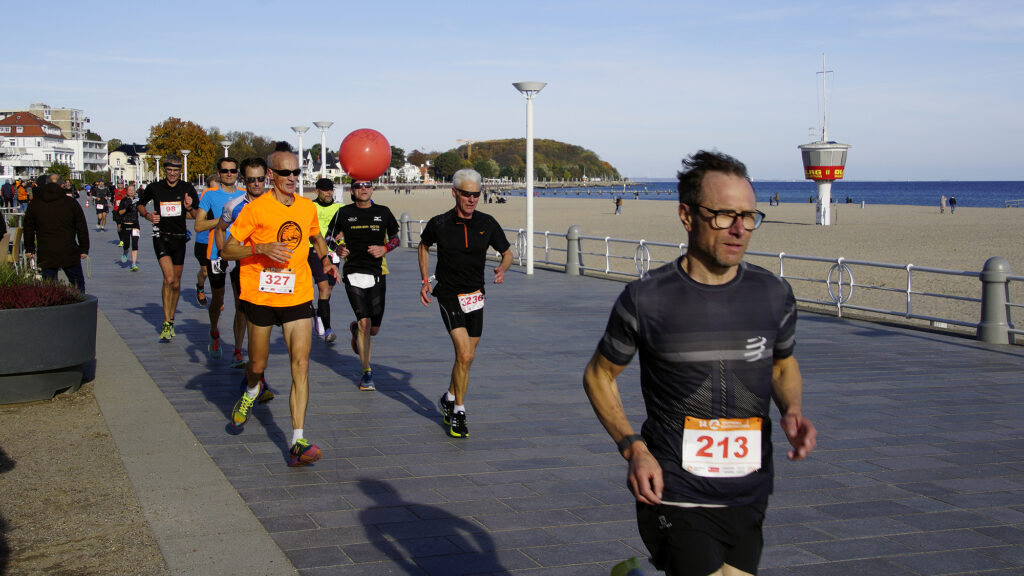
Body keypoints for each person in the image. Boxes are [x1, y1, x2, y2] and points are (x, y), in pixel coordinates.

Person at [582, 150, 817, 576]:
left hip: (750, 490)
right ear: (687, 216)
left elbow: (782, 365)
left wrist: (793, 411)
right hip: (674, 489)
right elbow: (600, 375)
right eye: (724, 215)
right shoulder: (647, 298)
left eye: (748, 215)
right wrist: (632, 447)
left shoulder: (773, 294)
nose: (740, 228)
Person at [220, 147, 338, 467]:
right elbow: (227, 248)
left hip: (297, 295)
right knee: (257, 365)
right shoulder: (256, 210)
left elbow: (316, 237)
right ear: (271, 175)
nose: (292, 178)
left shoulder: (305, 207)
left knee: (300, 365)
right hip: (260, 297)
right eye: (285, 173)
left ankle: (297, 440)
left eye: (296, 173)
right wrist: (260, 247)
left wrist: (327, 260)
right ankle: (252, 390)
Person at [418, 168, 512, 438]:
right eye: (467, 194)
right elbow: (423, 246)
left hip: (475, 296)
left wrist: (503, 268)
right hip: (448, 294)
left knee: (465, 358)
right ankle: (458, 411)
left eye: (476, 194)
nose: (472, 199)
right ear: (455, 193)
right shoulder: (440, 223)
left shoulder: (487, 222)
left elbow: (507, 253)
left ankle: (449, 396)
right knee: (466, 354)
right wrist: (425, 280)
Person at [326, 179, 399, 391]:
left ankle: (354, 330)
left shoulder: (383, 212)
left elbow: (396, 236)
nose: (363, 189)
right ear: (352, 190)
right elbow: (328, 236)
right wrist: (338, 248)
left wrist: (385, 249)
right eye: (358, 186)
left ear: (372, 189)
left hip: (376, 272)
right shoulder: (344, 212)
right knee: (365, 324)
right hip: (353, 272)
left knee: (373, 329)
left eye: (367, 185)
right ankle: (367, 373)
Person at [136, 154, 200, 342]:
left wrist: (189, 207)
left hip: (179, 239)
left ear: (180, 171)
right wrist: (148, 216)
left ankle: (171, 319)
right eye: (169, 170)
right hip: (161, 237)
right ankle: (165, 321)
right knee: (169, 278)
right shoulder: (155, 187)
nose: (172, 174)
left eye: (175, 171)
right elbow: (140, 204)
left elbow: (196, 214)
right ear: (165, 170)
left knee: (177, 283)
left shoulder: (187, 188)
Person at [216, 157, 269, 369]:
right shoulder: (234, 206)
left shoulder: (278, 202)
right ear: (243, 180)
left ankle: (258, 354)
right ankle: (239, 350)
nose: (256, 184)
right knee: (243, 309)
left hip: (270, 267)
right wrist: (222, 254)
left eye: (260, 179)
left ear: (267, 178)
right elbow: (220, 228)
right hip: (243, 265)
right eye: (251, 180)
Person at [195, 158, 244, 359]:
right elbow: (198, 226)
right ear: (219, 173)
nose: (229, 174)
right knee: (218, 299)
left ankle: (238, 350)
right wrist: (225, 217)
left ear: (238, 173)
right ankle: (214, 331)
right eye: (225, 171)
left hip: (240, 254)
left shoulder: (245, 195)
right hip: (216, 254)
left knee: (241, 302)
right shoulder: (209, 195)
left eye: (232, 170)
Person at [23, 176, 90, 292]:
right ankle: (78, 307)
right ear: (62, 185)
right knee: (77, 284)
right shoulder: (70, 203)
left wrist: (30, 248)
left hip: (46, 251)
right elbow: (81, 227)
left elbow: (28, 227)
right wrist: (84, 248)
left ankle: (52, 307)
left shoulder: (36, 204)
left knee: (49, 287)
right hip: (68, 250)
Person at [309, 178, 344, 342]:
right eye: (324, 190)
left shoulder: (340, 208)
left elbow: (345, 228)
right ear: (317, 191)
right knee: (323, 287)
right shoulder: (310, 207)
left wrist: (343, 237)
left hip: (333, 251)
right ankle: (328, 329)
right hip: (313, 249)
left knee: (328, 290)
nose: (329, 192)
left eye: (331, 189)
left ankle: (318, 313)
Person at [193, 174, 220, 307]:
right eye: (212, 189)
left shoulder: (224, 198)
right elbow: (192, 213)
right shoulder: (201, 198)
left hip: (218, 241)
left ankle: (218, 298)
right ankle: (200, 286)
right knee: (205, 271)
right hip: (203, 241)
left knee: (217, 272)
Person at [116, 184, 141, 271]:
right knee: (126, 244)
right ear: (126, 191)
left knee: (135, 244)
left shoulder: (138, 201)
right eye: (129, 190)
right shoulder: (124, 201)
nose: (131, 191)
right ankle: (125, 252)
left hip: (135, 225)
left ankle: (133, 264)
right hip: (126, 224)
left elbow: (142, 210)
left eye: (133, 190)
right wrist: (126, 209)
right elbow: (119, 212)